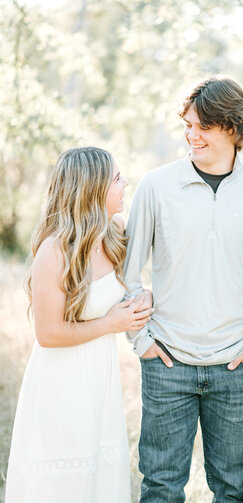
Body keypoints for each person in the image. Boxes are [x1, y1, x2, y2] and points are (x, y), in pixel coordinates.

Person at [123, 75, 243, 502]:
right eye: (188, 125)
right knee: (160, 487)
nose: (191, 136)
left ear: (232, 128)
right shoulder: (155, 186)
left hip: (236, 363)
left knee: (234, 491)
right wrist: (140, 339)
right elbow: (128, 272)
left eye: (203, 127)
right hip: (167, 361)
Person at [5, 146, 153, 503]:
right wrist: (111, 322)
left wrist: (143, 297)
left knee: (99, 479)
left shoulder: (114, 233)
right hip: (61, 382)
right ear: (92, 188)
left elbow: (124, 290)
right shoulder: (55, 250)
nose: (125, 183)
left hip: (99, 380)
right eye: (117, 179)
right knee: (64, 482)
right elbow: (48, 333)